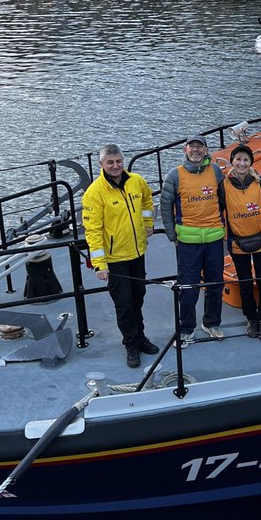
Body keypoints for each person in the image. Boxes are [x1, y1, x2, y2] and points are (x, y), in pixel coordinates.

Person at [82, 143, 159, 368]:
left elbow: (146, 200)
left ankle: (141, 337)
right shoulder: (94, 193)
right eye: (110, 162)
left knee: (138, 297)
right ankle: (131, 345)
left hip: (136, 253)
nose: (115, 166)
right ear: (101, 164)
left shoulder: (136, 181)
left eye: (118, 162)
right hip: (115, 259)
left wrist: (147, 224)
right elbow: (93, 231)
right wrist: (99, 264)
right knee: (124, 304)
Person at [160, 134, 226, 345]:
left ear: (206, 151)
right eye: (192, 147)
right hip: (188, 241)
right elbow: (165, 207)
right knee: (188, 287)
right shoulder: (175, 176)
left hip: (214, 238)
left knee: (215, 284)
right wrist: (172, 235)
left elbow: (223, 199)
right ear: (185, 150)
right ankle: (186, 328)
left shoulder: (215, 171)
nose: (196, 150)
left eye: (200, 147)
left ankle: (212, 323)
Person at [225, 142, 261, 341]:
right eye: (238, 159)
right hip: (237, 242)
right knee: (245, 282)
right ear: (232, 161)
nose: (241, 163)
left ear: (251, 162)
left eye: (245, 159)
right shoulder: (224, 185)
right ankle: (251, 317)